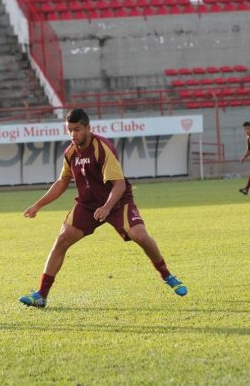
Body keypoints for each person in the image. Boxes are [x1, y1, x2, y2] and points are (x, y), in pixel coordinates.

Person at [18, 108, 187, 308]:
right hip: (88, 205)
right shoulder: (70, 153)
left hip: (117, 202)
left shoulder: (102, 148)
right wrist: (38, 205)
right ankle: (41, 295)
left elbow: (119, 184)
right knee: (62, 239)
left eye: (77, 129)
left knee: (139, 235)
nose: (73, 134)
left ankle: (167, 275)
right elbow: (62, 181)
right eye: (69, 130)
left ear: (88, 128)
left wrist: (107, 207)